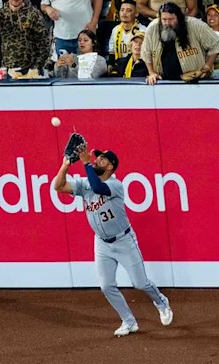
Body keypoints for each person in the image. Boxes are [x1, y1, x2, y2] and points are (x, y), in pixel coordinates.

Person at [51, 140, 172, 337]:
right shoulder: (85, 184)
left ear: (110, 166)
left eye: (102, 158)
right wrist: (65, 165)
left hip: (124, 241)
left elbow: (98, 188)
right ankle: (128, 321)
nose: (97, 158)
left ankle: (161, 301)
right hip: (102, 243)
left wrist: (86, 163)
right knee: (106, 285)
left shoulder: (115, 185)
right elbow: (58, 186)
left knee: (140, 283)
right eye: (97, 156)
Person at [141, 1, 219, 84]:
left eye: (171, 19)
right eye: (164, 19)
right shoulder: (152, 28)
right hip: (164, 81)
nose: (167, 23)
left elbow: (217, 44)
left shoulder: (196, 25)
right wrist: (152, 73)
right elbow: (145, 52)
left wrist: (207, 65)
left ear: (179, 17)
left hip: (195, 80)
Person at [0, 0, 50, 75]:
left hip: (30, 70)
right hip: (7, 70)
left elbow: (44, 43)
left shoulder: (34, 14)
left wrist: (36, 67)